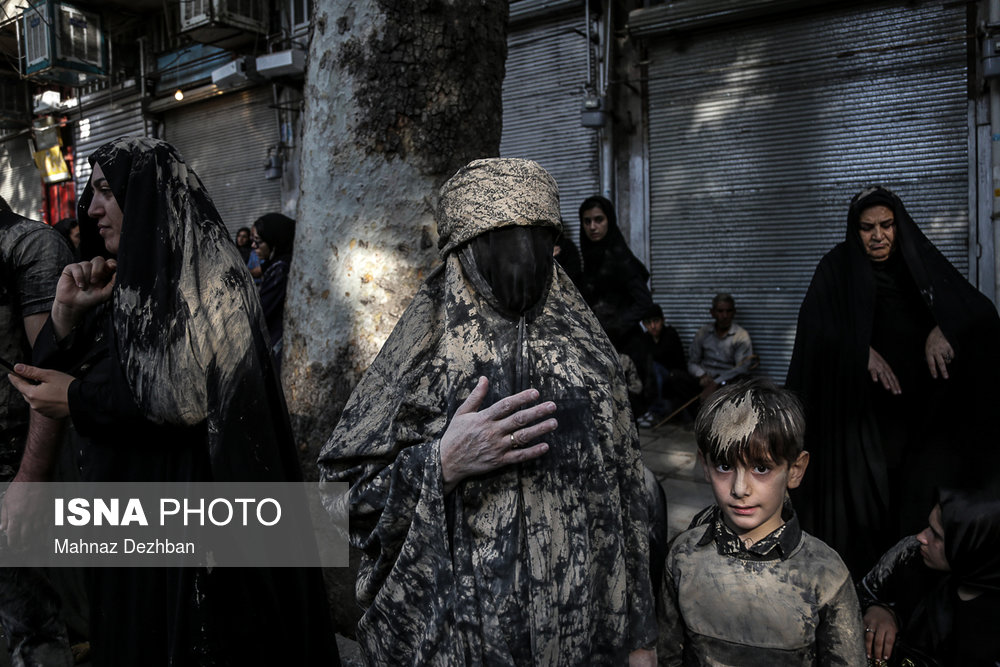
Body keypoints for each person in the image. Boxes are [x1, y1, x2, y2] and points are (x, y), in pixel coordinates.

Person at [8, 137, 339, 666]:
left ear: (146, 198)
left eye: (104, 193)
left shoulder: (212, 286)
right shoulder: (117, 287)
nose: (91, 209)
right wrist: (66, 315)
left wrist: (76, 399)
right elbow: (50, 367)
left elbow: (175, 396)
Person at [319, 158, 657, 665]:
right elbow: (333, 506)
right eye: (498, 239)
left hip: (583, 644)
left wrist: (641, 640)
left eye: (535, 237)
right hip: (457, 644)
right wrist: (439, 465)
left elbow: (629, 497)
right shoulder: (421, 353)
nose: (519, 257)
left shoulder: (591, 355)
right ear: (464, 252)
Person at [786, 185, 1000, 576]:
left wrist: (944, 328)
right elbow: (813, 333)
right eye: (868, 228)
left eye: (886, 225)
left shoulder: (917, 265)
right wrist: (858, 350)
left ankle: (904, 586)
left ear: (898, 226)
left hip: (920, 416)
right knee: (867, 508)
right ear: (856, 230)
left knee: (913, 501)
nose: (878, 235)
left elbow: (981, 314)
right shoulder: (836, 269)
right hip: (861, 419)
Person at [657, 378, 866, 665]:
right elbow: (666, 656)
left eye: (761, 468)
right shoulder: (682, 557)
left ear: (796, 470)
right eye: (725, 466)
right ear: (705, 465)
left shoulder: (825, 573)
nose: (740, 489)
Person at [0, 196, 75, 666]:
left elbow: (47, 376)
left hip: (12, 466)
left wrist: (28, 482)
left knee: (33, 628)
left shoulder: (31, 247)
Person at [858, 488, 1000, 666]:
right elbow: (859, 594)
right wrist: (879, 609)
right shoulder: (909, 554)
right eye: (928, 526)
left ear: (971, 547)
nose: (921, 537)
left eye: (937, 535)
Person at [578, 195, 653, 351]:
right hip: (600, 344)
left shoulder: (620, 257)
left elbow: (644, 302)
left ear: (609, 221)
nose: (592, 227)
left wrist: (617, 325)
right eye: (587, 221)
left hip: (626, 346)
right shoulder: (590, 256)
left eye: (599, 220)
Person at [634, 304, 697, 427]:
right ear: (644, 324)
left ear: (663, 320)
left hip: (675, 378)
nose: (653, 326)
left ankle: (656, 411)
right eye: (648, 323)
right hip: (656, 383)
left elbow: (661, 356)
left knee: (655, 366)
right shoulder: (645, 338)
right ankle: (649, 409)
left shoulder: (670, 334)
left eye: (656, 321)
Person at [686, 293, 754, 393]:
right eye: (720, 311)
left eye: (729, 311)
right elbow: (692, 362)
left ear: (734, 312)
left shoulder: (741, 336)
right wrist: (702, 375)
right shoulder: (703, 332)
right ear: (712, 313)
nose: (725, 316)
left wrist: (717, 382)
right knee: (676, 376)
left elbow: (742, 368)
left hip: (727, 383)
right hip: (703, 380)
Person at [251, 213, 295, 364]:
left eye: (258, 241)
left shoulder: (280, 270)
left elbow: (260, 312)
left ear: (275, 242)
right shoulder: (280, 265)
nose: (253, 246)